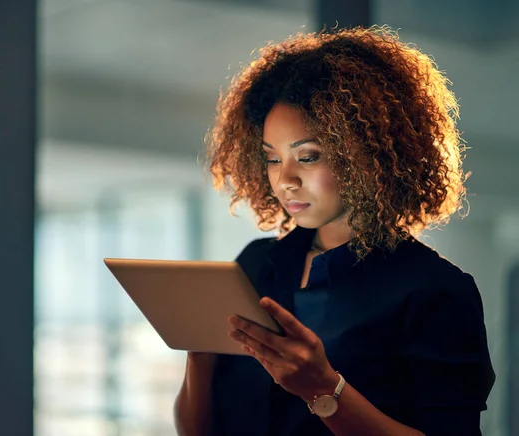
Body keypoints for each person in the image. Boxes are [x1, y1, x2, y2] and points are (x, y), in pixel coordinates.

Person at [174, 26, 495, 436]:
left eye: (307, 157)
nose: (285, 179)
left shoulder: (436, 292)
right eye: (272, 159)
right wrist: (199, 355)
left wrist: (324, 388)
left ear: (368, 155)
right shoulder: (256, 265)